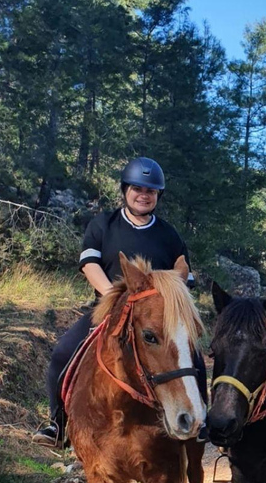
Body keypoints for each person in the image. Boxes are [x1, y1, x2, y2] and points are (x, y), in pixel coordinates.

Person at [32, 157, 207, 447]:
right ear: (125, 190)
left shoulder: (169, 234)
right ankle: (58, 424)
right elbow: (90, 264)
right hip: (107, 308)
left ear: (157, 195)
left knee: (194, 361)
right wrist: (112, 298)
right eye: (137, 188)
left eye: (150, 191)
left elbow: (182, 276)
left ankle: (201, 422)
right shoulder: (103, 224)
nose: (143, 194)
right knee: (62, 354)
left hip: (159, 317)